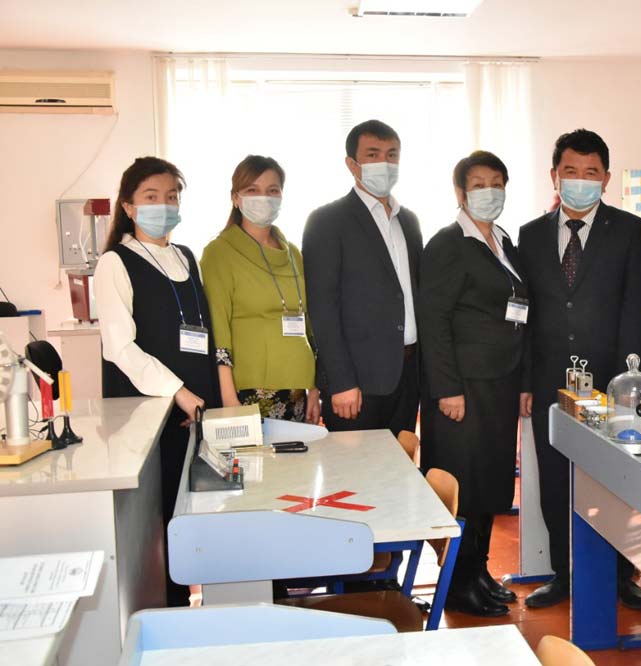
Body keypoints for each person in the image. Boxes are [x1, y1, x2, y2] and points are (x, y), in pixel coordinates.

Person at [518, 129, 641, 609]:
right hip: (550, 381)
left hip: (610, 382)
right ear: (554, 176)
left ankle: (621, 576)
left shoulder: (631, 230)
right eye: (570, 171)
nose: (580, 180)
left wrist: (627, 386)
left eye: (591, 172)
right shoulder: (531, 234)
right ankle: (564, 573)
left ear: (606, 178)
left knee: (614, 480)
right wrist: (525, 381)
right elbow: (525, 314)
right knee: (555, 478)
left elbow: (636, 308)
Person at [95, 156, 220, 606]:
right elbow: (120, 348)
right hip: (149, 413)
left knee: (188, 515)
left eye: (172, 197)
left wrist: (203, 401)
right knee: (156, 525)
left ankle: (193, 604)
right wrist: (179, 394)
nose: (163, 205)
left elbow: (202, 335)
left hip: (192, 409)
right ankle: (165, 616)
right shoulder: (114, 263)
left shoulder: (185, 256)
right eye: (151, 197)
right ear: (129, 206)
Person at [418, 150, 529, 617]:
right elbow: (434, 321)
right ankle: (457, 583)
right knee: (463, 484)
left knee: (487, 483)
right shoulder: (448, 244)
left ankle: (478, 571)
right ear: (460, 192)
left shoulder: (502, 241)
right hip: (462, 388)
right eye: (479, 184)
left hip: (499, 384)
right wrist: (447, 389)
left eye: (497, 183)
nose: (489, 192)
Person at [303, 119, 422, 436]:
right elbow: (322, 308)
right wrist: (341, 380)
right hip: (356, 384)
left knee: (400, 464)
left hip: (407, 375)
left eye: (392, 154)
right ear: (352, 164)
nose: (385, 162)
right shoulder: (327, 221)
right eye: (373, 154)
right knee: (355, 468)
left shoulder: (409, 221)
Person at [200, 155, 320, 423]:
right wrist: (228, 398)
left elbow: (309, 324)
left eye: (272, 190)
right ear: (235, 198)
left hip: (297, 386)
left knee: (297, 453)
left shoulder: (293, 253)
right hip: (249, 388)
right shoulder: (219, 253)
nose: (264, 198)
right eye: (253, 190)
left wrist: (314, 387)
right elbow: (219, 330)